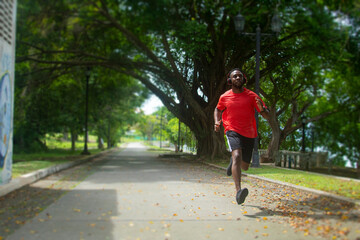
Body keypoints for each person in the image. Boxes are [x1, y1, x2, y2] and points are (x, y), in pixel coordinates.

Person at [214, 68, 269, 205]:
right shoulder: (224, 96)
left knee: (244, 166)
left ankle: (233, 162)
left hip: (249, 133)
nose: (237, 78)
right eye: (234, 76)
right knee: (237, 155)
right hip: (232, 130)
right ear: (230, 80)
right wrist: (217, 121)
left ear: (243, 79)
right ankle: (238, 192)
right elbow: (218, 109)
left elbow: (266, 115)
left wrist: (262, 109)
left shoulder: (252, 96)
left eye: (240, 76)